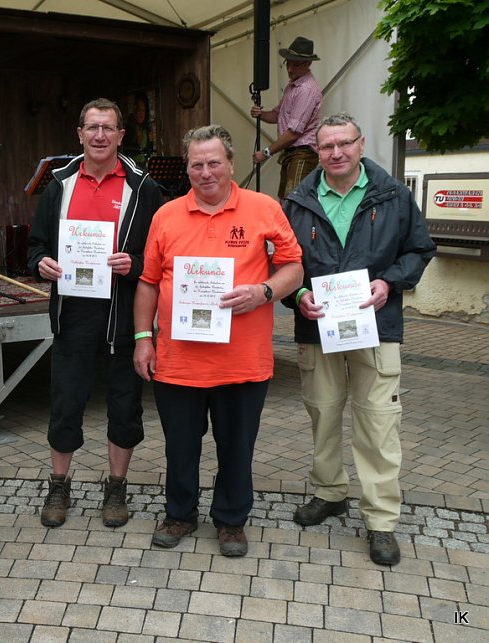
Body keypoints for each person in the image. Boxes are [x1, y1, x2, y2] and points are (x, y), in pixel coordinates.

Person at [133, 125, 303, 555]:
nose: (205, 172)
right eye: (196, 165)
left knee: (236, 448)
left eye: (213, 163)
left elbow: (294, 268)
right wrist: (143, 338)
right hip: (179, 362)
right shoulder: (166, 215)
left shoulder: (264, 208)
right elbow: (149, 281)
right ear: (187, 167)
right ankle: (179, 514)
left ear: (230, 163)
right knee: (180, 447)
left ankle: (230, 521)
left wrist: (264, 291)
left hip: (242, 361)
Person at [282, 112, 436, 566]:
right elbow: (283, 264)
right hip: (318, 327)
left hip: (376, 325)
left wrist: (389, 282)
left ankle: (381, 519)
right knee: (323, 414)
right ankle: (330, 492)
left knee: (378, 424)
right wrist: (299, 295)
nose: (336, 152)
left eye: (344, 143)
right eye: (327, 146)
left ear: (361, 143)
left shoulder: (393, 195)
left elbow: (420, 250)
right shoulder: (298, 201)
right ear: (317, 151)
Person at [27, 98, 162, 529]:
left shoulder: (144, 188)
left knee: (124, 407)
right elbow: (35, 244)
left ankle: (116, 486)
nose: (100, 135)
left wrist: (135, 264)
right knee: (66, 404)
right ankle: (59, 485)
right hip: (73, 317)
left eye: (108, 128)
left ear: (121, 135)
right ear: (79, 133)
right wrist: (41, 263)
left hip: (124, 316)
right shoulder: (59, 184)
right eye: (92, 127)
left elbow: (162, 253)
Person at [250, 36, 323, 199]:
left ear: (308, 64)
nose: (290, 69)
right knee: (286, 200)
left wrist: (266, 152)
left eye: (295, 65)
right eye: (288, 63)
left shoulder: (306, 89)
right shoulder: (293, 86)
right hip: (293, 152)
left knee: (294, 201)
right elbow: (277, 115)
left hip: (303, 152)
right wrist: (260, 114)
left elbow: (293, 133)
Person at [124, 92, 153, 166]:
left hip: (144, 165)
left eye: (143, 111)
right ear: (134, 110)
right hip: (131, 166)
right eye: (139, 110)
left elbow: (149, 149)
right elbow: (125, 150)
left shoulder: (146, 128)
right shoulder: (129, 128)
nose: (141, 114)